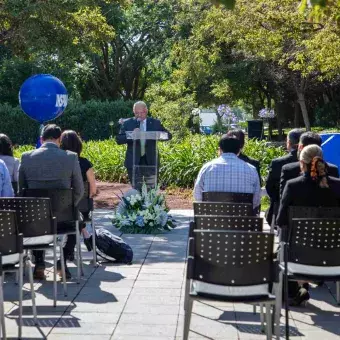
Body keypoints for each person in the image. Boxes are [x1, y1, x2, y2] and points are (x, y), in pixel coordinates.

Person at [277, 145, 340, 306]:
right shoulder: (337, 186)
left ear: (301, 163)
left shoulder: (293, 186)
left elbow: (281, 220)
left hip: (299, 253)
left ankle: (295, 289)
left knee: (283, 245)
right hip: (333, 254)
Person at [19, 124, 84, 279]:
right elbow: (79, 190)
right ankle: (62, 261)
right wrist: (69, 205)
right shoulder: (70, 157)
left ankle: (40, 262)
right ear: (59, 139)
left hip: (35, 218)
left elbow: (22, 191)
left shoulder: (26, 157)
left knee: (36, 220)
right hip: (64, 217)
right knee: (78, 221)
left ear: (41, 139)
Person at [193, 135, 261, 210]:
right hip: (242, 219)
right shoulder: (251, 169)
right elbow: (256, 201)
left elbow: (197, 196)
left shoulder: (207, 168)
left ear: (220, 150)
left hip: (212, 219)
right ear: (239, 151)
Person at [116, 101, 172, 190]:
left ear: (146, 111)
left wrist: (158, 135)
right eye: (136, 113)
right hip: (133, 161)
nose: (139, 115)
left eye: (141, 112)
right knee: (136, 191)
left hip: (151, 161)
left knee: (151, 190)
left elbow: (168, 135)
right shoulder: (128, 123)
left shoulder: (155, 123)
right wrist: (131, 135)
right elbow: (119, 139)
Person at [60, 130, 96, 256]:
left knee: (71, 213)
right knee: (76, 213)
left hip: (60, 208)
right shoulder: (85, 163)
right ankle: (86, 234)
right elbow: (93, 190)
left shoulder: (59, 163)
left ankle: (69, 251)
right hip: (83, 207)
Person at [280, 131, 339, 196]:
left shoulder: (288, 171)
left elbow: (283, 198)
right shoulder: (333, 170)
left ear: (301, 147)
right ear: (320, 148)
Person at [265, 129, 304, 226]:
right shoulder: (319, 164)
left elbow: (269, 187)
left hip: (282, 214)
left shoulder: (277, 163)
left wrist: (279, 201)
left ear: (289, 143)